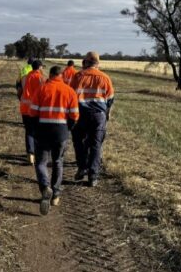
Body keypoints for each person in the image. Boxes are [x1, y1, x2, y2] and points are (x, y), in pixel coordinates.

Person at [29, 65, 79, 215]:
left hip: (42, 130)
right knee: (58, 161)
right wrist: (68, 128)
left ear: (50, 75)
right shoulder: (70, 91)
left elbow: (32, 112)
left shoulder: (41, 89)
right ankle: (56, 195)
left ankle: (45, 187)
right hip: (61, 131)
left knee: (41, 162)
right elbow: (74, 115)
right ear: (62, 76)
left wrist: (35, 128)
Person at [70, 51, 114, 186]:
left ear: (86, 62)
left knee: (78, 141)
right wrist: (107, 113)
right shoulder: (105, 78)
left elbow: (71, 96)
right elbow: (110, 99)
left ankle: (82, 167)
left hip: (80, 114)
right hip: (98, 115)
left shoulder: (78, 76)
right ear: (97, 63)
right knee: (96, 144)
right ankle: (93, 176)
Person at [19, 59, 46, 164]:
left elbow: (19, 90)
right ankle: (37, 152)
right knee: (37, 131)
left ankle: (30, 154)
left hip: (24, 107)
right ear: (39, 67)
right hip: (35, 108)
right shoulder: (41, 78)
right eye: (42, 67)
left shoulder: (24, 77)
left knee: (29, 131)